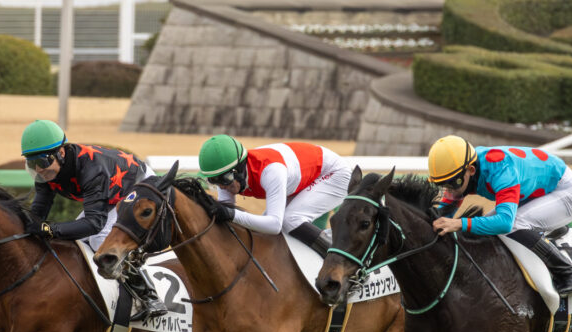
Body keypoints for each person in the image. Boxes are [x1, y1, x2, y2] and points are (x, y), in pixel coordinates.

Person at [20, 119, 167, 321]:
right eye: (31, 163)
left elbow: (93, 224)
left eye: (43, 162)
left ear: (61, 153)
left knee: (100, 240)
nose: (38, 169)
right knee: (77, 242)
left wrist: (48, 229)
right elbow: (38, 212)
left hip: (137, 188)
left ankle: (149, 296)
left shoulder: (91, 168)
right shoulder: (45, 174)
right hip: (112, 196)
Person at [427, 135, 572, 296]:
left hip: (566, 192)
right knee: (488, 228)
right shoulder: (461, 170)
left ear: (471, 170)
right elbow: (441, 215)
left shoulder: (499, 168)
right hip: (535, 193)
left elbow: (505, 223)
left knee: (513, 225)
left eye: (452, 183)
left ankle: (570, 274)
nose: (449, 190)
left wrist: (459, 223)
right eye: (442, 184)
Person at [197, 135, 352, 257]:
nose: (222, 187)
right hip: (301, 178)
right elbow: (227, 220)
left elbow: (274, 225)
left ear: (239, 170)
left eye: (224, 180)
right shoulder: (229, 177)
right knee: (261, 234)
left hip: (334, 174)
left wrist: (230, 214)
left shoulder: (271, 171)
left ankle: (340, 259)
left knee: (290, 220)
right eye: (214, 181)